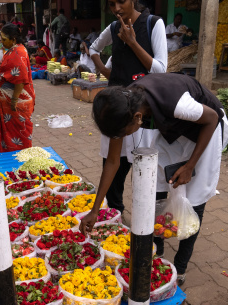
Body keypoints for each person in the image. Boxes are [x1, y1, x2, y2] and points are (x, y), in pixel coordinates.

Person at [80, 73, 228, 285]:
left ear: (137, 118)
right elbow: (112, 162)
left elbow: (212, 119)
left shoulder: (176, 105)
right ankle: (156, 246)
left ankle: (181, 266)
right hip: (175, 131)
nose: (122, 138)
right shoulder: (125, 105)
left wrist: (189, 166)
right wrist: (95, 210)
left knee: (193, 200)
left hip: (207, 131)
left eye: (123, 134)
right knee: (159, 182)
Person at [89, 0, 167, 214]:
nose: (116, 9)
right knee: (114, 167)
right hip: (117, 110)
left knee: (151, 174)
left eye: (121, 1)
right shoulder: (113, 28)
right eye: (111, 4)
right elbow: (94, 48)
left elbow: (160, 70)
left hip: (144, 111)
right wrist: (107, 73)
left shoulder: (153, 24)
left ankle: (155, 232)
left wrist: (132, 42)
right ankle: (115, 217)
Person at [0, 23, 35, 152]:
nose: (2, 42)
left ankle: (20, 156)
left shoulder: (18, 52)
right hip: (9, 102)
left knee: (19, 133)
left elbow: (20, 80)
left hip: (16, 102)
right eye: (1, 39)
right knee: (13, 133)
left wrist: (13, 101)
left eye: (4, 39)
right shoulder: (14, 49)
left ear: (13, 39)